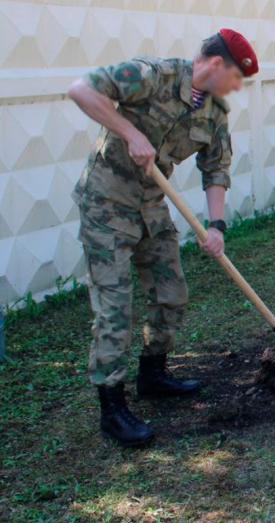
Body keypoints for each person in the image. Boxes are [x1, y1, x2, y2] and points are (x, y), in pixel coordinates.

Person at [67, 29, 259, 446]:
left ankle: (153, 375)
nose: (236, 87)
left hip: (151, 205)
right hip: (106, 203)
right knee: (115, 306)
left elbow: (216, 169)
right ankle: (112, 406)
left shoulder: (214, 111)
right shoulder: (150, 75)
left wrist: (216, 225)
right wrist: (130, 132)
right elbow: (81, 89)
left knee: (171, 291)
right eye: (235, 77)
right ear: (214, 64)